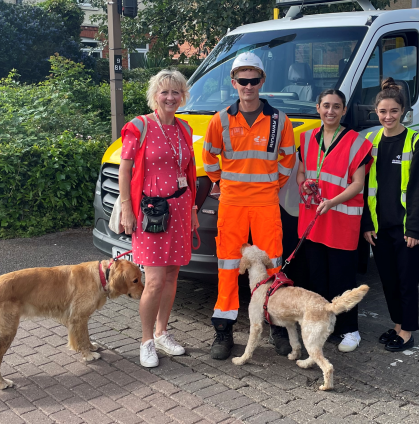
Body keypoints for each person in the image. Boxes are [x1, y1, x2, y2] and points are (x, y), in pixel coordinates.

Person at [202, 52, 296, 360]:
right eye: (242, 80)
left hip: (266, 202)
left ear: (262, 81)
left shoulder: (280, 120)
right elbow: (208, 159)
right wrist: (227, 184)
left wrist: (271, 186)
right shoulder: (220, 120)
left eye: (254, 79)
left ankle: (277, 326)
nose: (248, 85)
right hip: (232, 203)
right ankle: (224, 330)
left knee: (272, 265)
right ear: (234, 83)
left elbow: (287, 160)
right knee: (228, 266)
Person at [118, 69, 199, 368]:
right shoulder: (138, 127)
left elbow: (188, 174)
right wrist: (127, 206)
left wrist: (191, 212)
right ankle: (146, 341)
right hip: (152, 212)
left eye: (176, 92)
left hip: (179, 210)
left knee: (172, 276)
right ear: (155, 95)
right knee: (153, 281)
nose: (170, 97)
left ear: (183, 96)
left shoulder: (185, 129)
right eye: (164, 92)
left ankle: (162, 332)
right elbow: (125, 170)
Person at [294, 89, 373, 352]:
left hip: (340, 222)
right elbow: (302, 171)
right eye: (326, 105)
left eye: (336, 107)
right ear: (317, 108)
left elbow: (358, 184)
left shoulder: (356, 143)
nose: (330, 111)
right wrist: (302, 183)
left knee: (342, 279)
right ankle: (325, 325)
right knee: (317, 279)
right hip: (313, 221)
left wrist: (332, 201)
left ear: (344, 111)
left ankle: (350, 331)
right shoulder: (306, 138)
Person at [361, 78, 419, 352]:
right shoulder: (371, 141)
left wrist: (415, 229)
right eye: (382, 112)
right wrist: (366, 225)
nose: (387, 116)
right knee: (389, 281)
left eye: (393, 111)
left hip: (405, 230)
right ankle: (396, 325)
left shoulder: (416, 141)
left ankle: (407, 331)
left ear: (402, 110)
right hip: (380, 229)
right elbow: (364, 188)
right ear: (375, 112)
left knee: (406, 282)